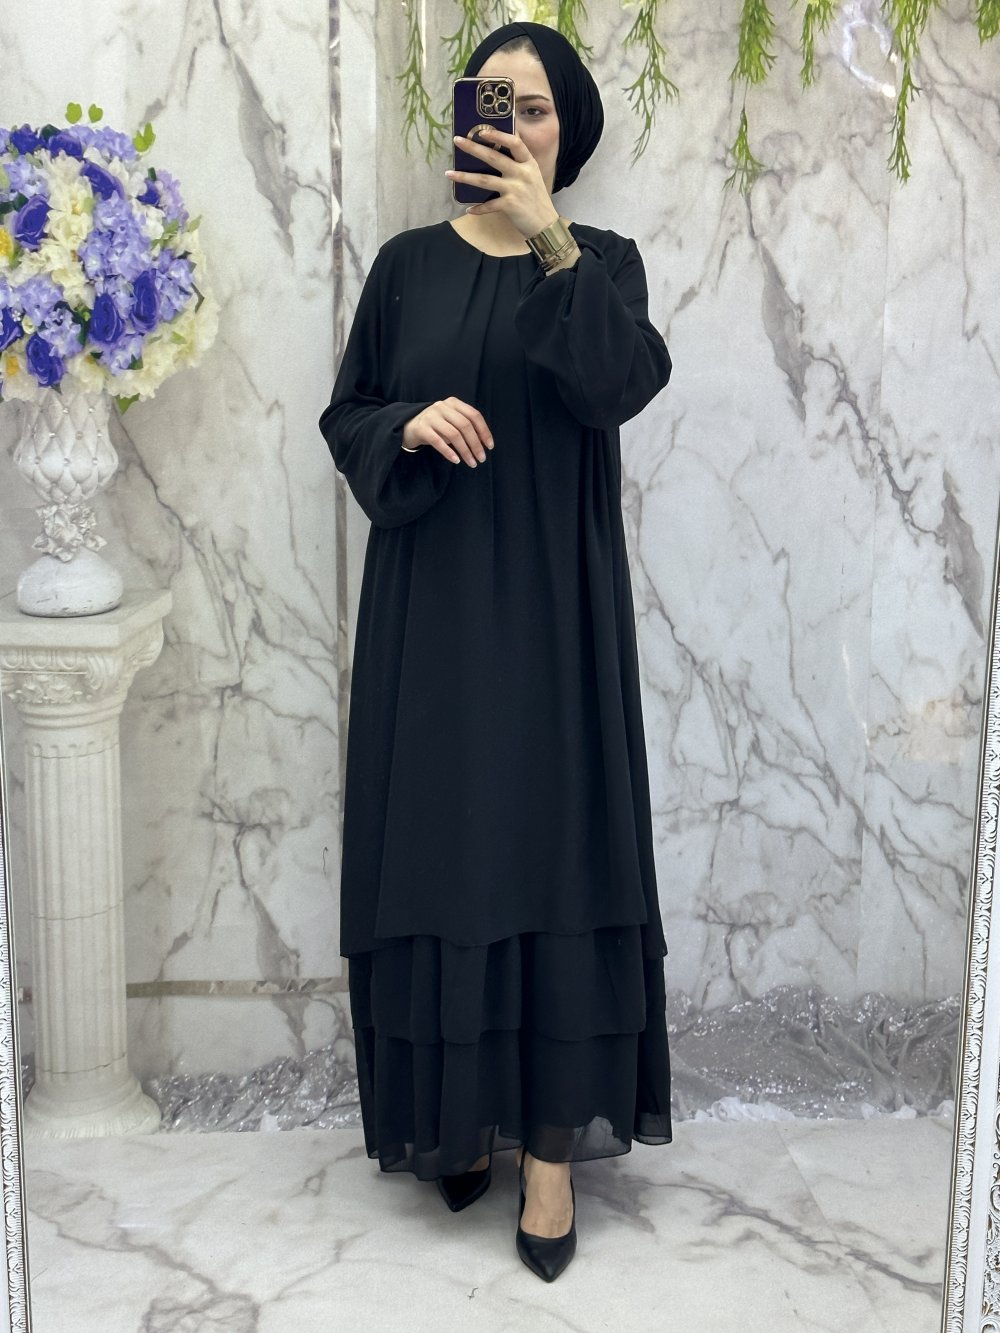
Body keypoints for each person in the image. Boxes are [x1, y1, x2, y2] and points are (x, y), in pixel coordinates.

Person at [319, 20, 672, 1283]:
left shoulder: (601, 261)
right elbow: (349, 413)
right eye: (494, 102)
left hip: (557, 623)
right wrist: (407, 424)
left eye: (535, 107)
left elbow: (618, 384)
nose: (513, 124)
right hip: (432, 620)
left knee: (556, 857)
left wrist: (548, 238)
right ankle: (456, 1115)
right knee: (443, 854)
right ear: (462, 119)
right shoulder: (405, 267)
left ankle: (550, 1155)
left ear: (567, 129)